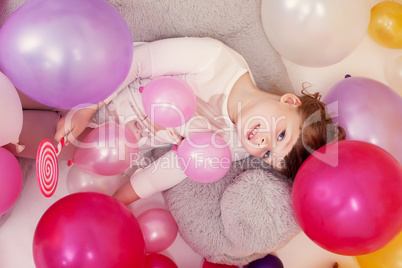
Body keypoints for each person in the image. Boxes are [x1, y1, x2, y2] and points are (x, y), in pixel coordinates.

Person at [9, 37, 345, 205]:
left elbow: (173, 167)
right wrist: (86, 104)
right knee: (12, 90)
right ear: (289, 101)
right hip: (90, 84)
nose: (263, 144)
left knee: (13, 132)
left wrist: (119, 202)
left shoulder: (235, 145)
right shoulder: (216, 61)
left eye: (270, 156)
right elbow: (136, 62)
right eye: (281, 133)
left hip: (102, 142)